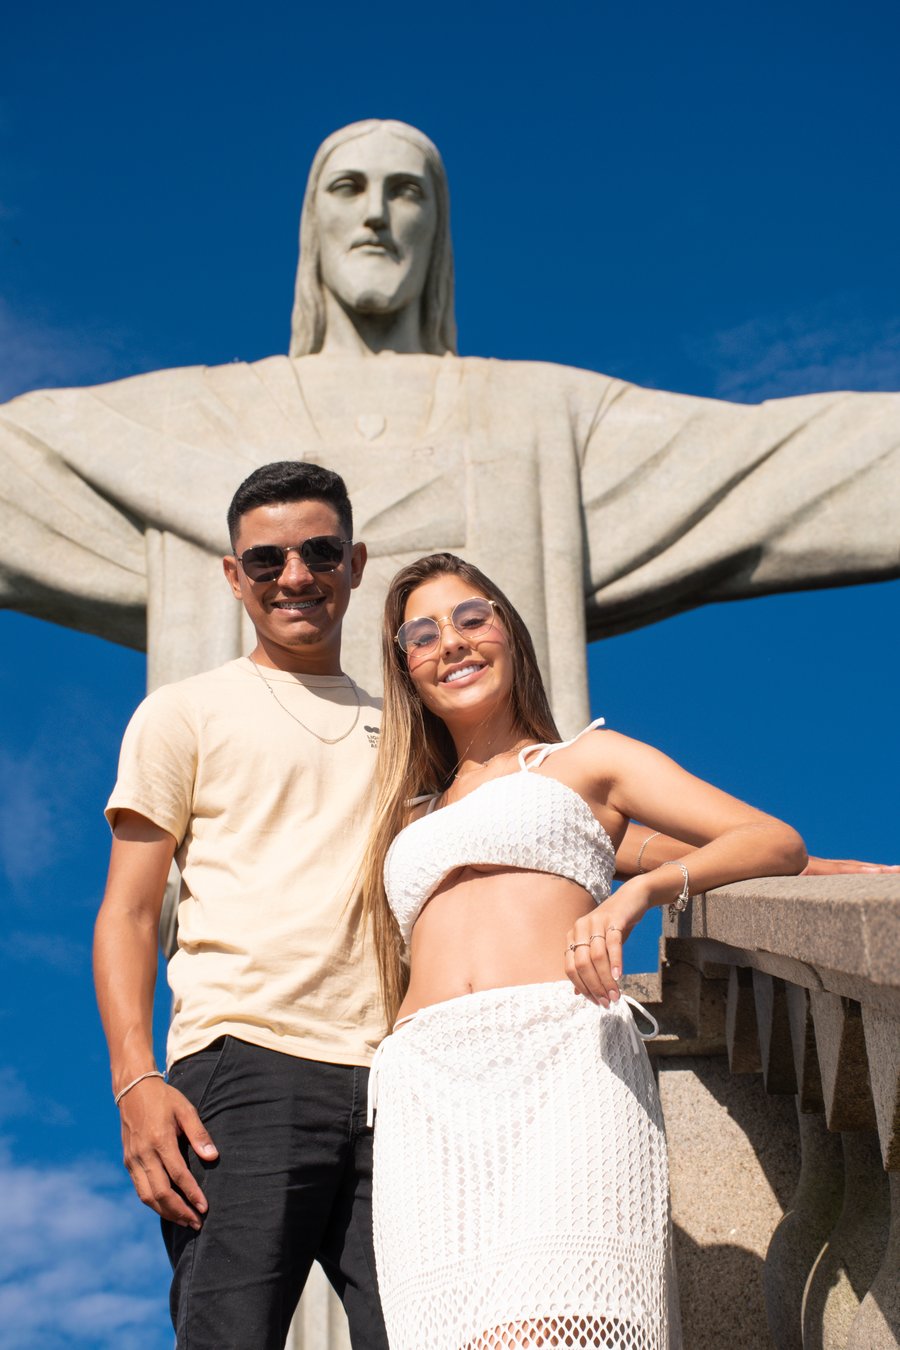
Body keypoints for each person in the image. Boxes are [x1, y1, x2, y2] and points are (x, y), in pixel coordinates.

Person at [0, 119, 898, 732]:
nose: (378, 215)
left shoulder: (534, 415)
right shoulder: (202, 416)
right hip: (271, 899)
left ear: (437, 230)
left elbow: (784, 466)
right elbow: (22, 462)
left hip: (485, 867)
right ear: (313, 227)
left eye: (407, 193)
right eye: (349, 189)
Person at [360, 552, 809, 1350]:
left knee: (562, 1328)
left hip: (561, 1066)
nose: (452, 644)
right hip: (426, 1090)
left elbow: (770, 840)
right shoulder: (404, 812)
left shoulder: (587, 762)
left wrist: (640, 890)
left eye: (472, 618)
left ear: (510, 633)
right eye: (422, 634)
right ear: (406, 668)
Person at [93, 461, 389, 1350]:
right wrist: (135, 1080)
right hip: (244, 1068)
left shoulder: (412, 727)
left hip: (403, 1083)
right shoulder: (184, 713)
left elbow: (558, 819)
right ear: (234, 574)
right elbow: (130, 913)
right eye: (266, 560)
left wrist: (785, 860)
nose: (294, 576)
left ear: (356, 562)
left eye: (319, 551)